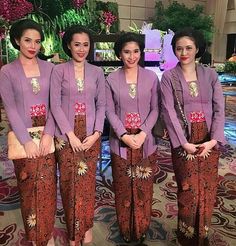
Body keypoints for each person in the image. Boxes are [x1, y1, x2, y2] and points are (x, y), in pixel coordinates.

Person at [160, 28, 225, 246]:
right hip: (183, 140)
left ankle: (203, 235)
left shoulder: (211, 75)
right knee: (187, 189)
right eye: (179, 48)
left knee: (207, 189)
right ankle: (186, 237)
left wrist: (214, 140)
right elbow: (168, 111)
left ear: (197, 48)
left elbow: (219, 108)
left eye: (188, 47)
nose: (184, 52)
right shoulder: (168, 78)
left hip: (209, 138)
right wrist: (183, 143)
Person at [0, 19, 56, 246]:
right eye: (27, 40)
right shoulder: (7, 71)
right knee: (29, 189)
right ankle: (35, 238)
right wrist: (26, 141)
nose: (33, 46)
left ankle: (48, 236)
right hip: (23, 140)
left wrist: (49, 134)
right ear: (16, 41)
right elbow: (10, 108)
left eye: (37, 41)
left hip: (48, 138)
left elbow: (56, 104)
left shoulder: (51, 68)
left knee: (49, 189)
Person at [50, 25, 105, 246]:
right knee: (69, 184)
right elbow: (54, 104)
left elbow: (101, 105)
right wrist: (69, 134)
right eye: (76, 44)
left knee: (88, 184)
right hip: (66, 136)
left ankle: (88, 229)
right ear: (68, 46)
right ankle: (74, 233)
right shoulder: (59, 70)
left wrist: (97, 133)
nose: (81, 49)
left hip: (90, 135)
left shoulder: (97, 72)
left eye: (85, 44)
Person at [105, 32, 159, 243]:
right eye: (126, 52)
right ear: (119, 54)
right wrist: (124, 135)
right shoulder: (111, 78)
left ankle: (142, 228)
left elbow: (156, 109)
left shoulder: (151, 77)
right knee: (123, 187)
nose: (132, 56)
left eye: (136, 51)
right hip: (121, 142)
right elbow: (109, 110)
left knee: (144, 186)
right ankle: (126, 230)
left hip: (147, 142)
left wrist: (144, 132)